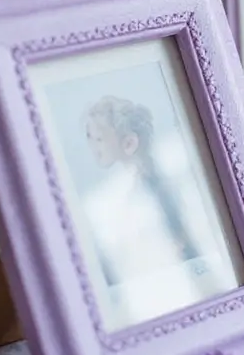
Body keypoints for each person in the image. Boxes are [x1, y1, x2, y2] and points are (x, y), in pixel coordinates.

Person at [83, 96, 200, 289]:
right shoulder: (104, 204)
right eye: (90, 138)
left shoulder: (175, 175)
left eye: (99, 139)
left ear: (129, 143)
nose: (94, 148)